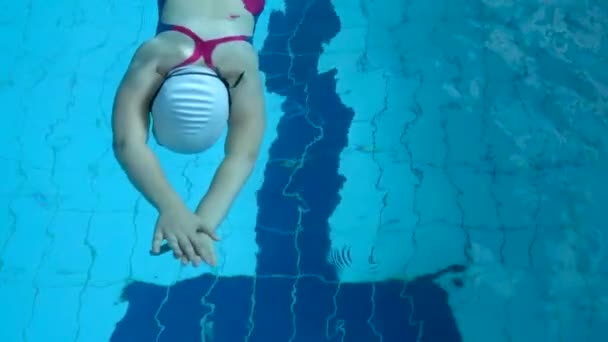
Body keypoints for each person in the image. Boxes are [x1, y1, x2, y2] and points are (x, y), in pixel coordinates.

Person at [111, 0, 266, 267]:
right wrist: (172, 209)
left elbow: (243, 155)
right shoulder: (157, 54)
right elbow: (127, 143)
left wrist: (202, 220)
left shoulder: (241, 64)